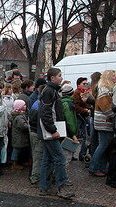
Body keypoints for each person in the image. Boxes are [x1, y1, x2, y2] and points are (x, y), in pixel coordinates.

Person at [38, 68, 75, 199]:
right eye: (59, 76)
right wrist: (53, 130)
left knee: (48, 159)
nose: (61, 78)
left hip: (49, 130)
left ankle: (44, 187)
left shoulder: (51, 90)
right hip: (49, 131)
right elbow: (46, 113)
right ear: (52, 78)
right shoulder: (49, 91)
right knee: (60, 158)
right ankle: (62, 187)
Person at [89, 70, 116, 177]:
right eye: (113, 76)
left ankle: (101, 167)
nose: (115, 77)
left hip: (103, 121)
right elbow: (106, 108)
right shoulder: (104, 90)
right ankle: (94, 167)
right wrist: (115, 116)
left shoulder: (104, 89)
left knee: (103, 146)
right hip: (104, 122)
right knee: (103, 146)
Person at [72, 77, 92, 161]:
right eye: (84, 83)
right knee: (75, 135)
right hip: (79, 116)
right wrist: (85, 110)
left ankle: (82, 154)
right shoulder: (77, 93)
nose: (86, 85)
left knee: (85, 136)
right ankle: (72, 154)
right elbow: (76, 106)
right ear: (79, 84)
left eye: (86, 83)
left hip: (84, 116)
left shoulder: (85, 92)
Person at [60, 84, 79, 163]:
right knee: (66, 157)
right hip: (67, 133)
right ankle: (62, 174)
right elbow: (70, 120)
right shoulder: (68, 104)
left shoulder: (61, 102)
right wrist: (73, 134)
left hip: (62, 131)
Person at [10, 100, 29, 170]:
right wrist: (30, 126)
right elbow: (24, 126)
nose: (25, 106)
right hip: (19, 137)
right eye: (24, 105)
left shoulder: (20, 115)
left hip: (19, 137)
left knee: (19, 150)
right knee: (16, 150)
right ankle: (14, 163)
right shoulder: (19, 117)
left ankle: (18, 162)